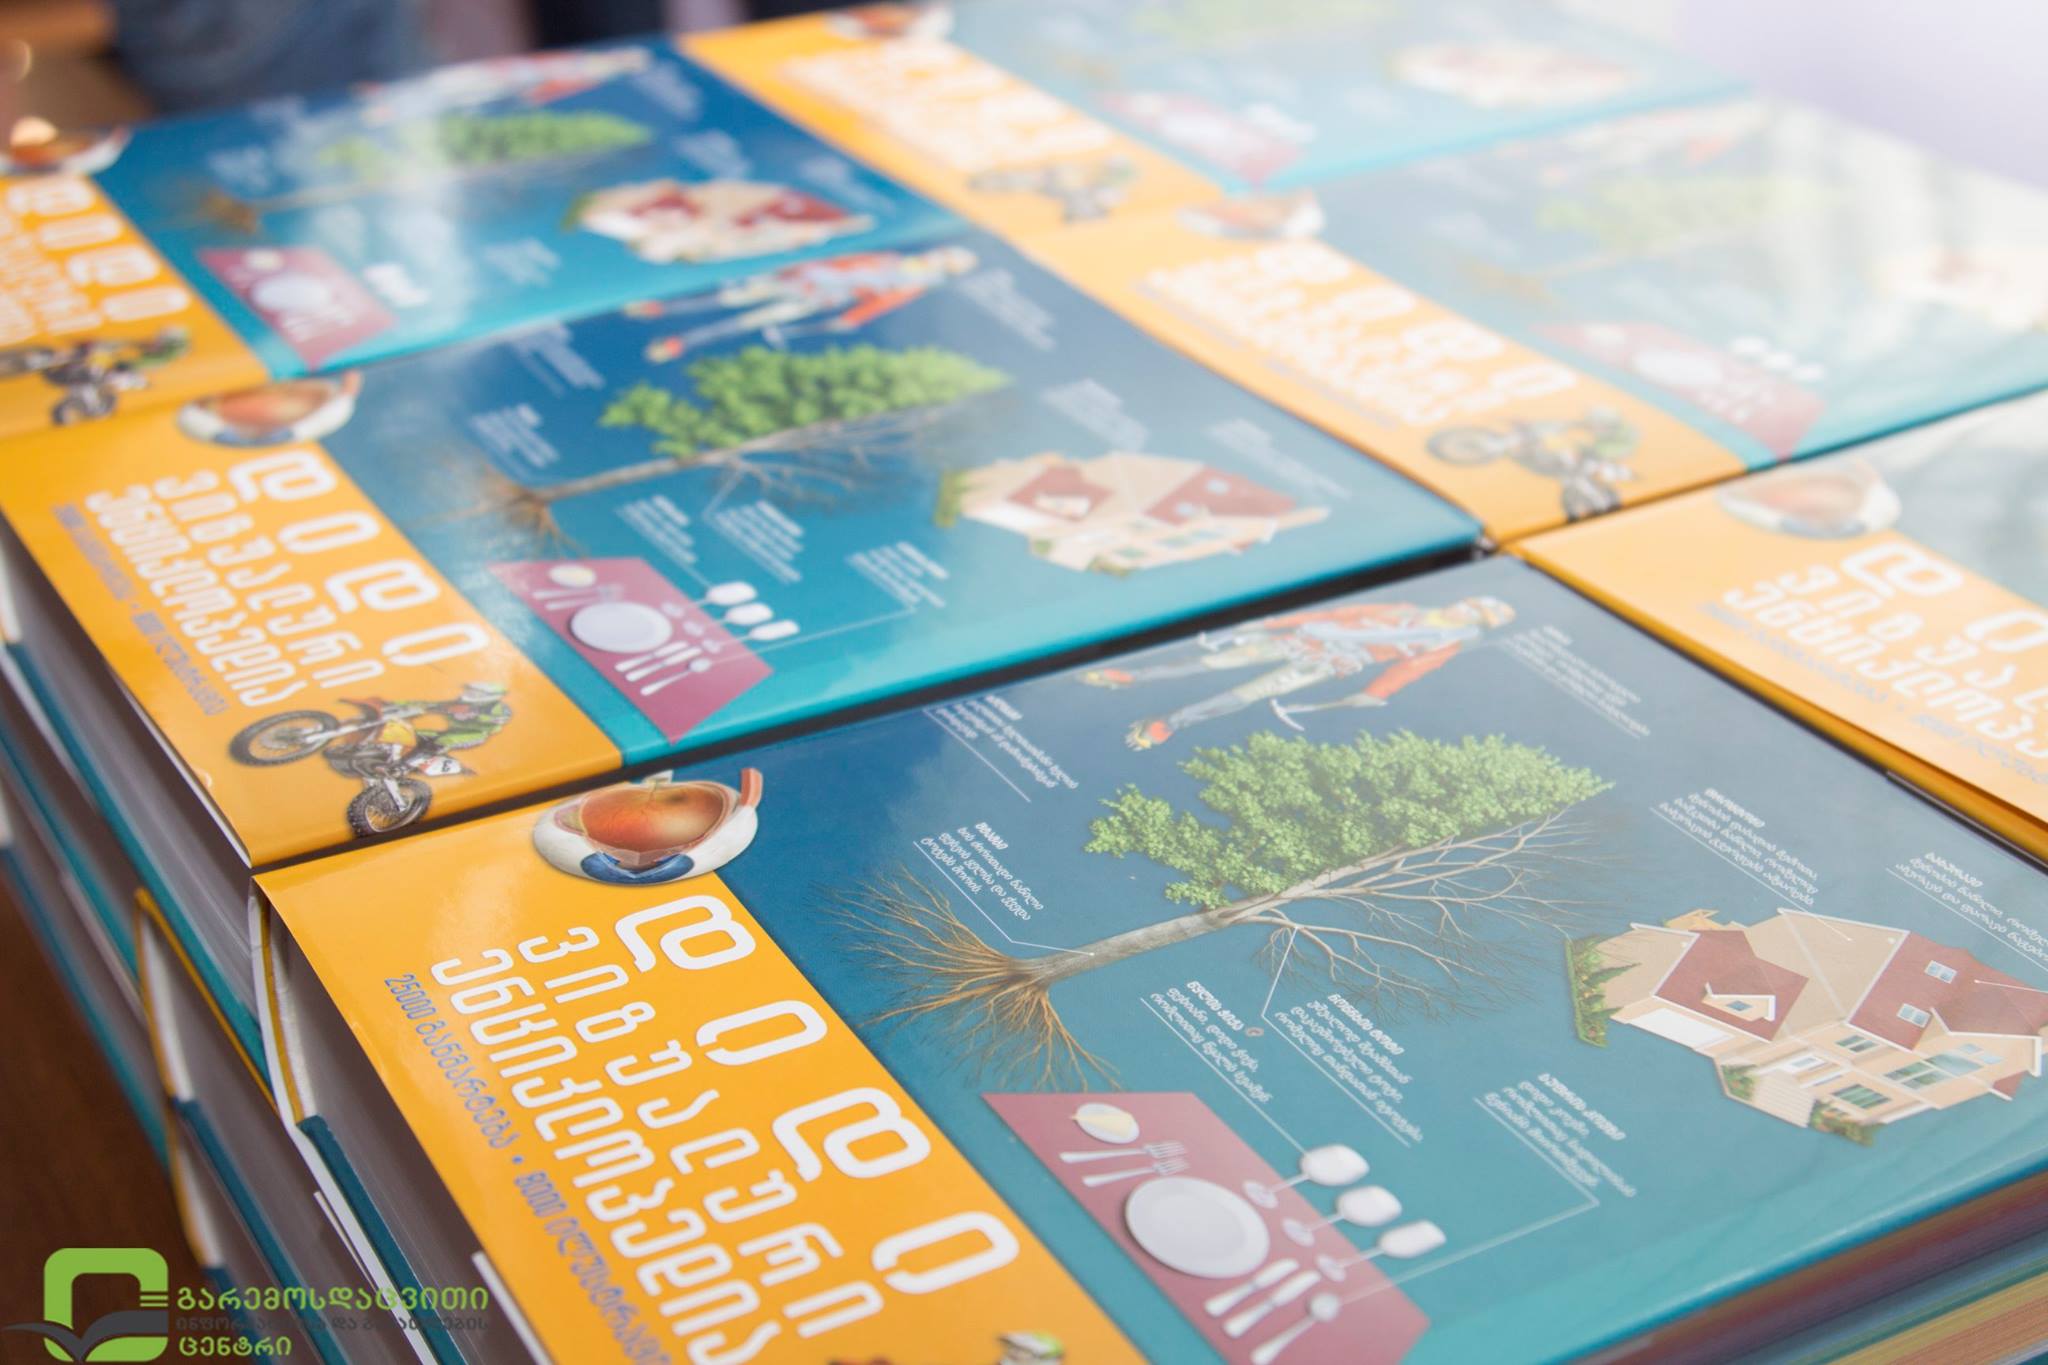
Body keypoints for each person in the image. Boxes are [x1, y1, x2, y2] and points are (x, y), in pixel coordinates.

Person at [1082, 597, 1517, 750]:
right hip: (1304, 638)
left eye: (1476, 615)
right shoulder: (1403, 609)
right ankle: (1133, 676)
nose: (1465, 612)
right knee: (1215, 661)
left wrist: (1375, 692)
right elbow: (1336, 614)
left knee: (1249, 693)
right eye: (1470, 605)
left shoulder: (1443, 643)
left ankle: (1171, 723)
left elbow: (1412, 668)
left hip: (1329, 663)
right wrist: (1273, 622)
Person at [628, 245, 978, 360]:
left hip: (815, 297)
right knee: (727, 297)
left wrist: (851, 319)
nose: (936, 257)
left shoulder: (910, 285)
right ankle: (660, 308)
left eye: (945, 260)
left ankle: (678, 343)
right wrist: (808, 264)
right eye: (942, 253)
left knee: (744, 322)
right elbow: (846, 258)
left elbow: (877, 306)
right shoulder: (892, 258)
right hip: (805, 276)